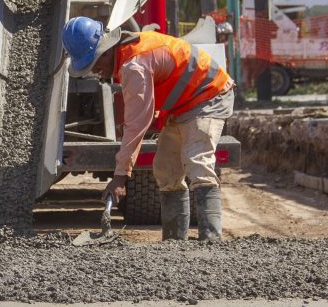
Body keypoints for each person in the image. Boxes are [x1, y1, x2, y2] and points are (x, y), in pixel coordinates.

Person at [61, 17, 235, 241]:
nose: (95, 72)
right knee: (165, 168)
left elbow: (135, 126)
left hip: (208, 95)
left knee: (197, 160)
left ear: (104, 52)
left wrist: (120, 177)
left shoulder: (134, 66)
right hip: (184, 104)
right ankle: (174, 241)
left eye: (94, 65)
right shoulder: (128, 54)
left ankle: (211, 241)